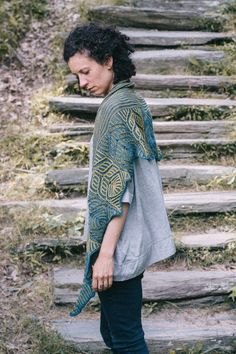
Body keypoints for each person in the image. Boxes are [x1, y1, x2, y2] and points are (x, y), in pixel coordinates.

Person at [63, 22, 176, 354]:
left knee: (125, 340)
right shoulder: (130, 100)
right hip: (131, 241)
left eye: (86, 71)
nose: (82, 82)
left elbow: (118, 191)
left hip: (119, 246)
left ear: (108, 60)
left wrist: (106, 255)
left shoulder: (115, 109)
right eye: (77, 76)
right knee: (115, 333)